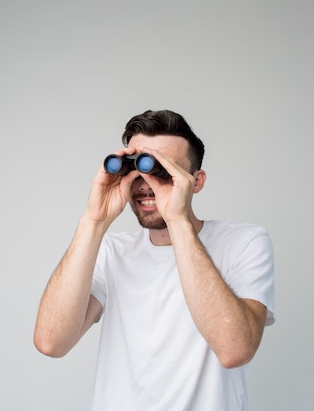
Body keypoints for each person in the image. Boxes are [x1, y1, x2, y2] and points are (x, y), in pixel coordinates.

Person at [33, 109, 275, 411]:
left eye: (163, 170)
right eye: (135, 169)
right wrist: (94, 221)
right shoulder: (112, 251)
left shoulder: (243, 242)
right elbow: (51, 342)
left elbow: (234, 350)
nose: (146, 183)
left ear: (196, 181)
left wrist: (177, 219)